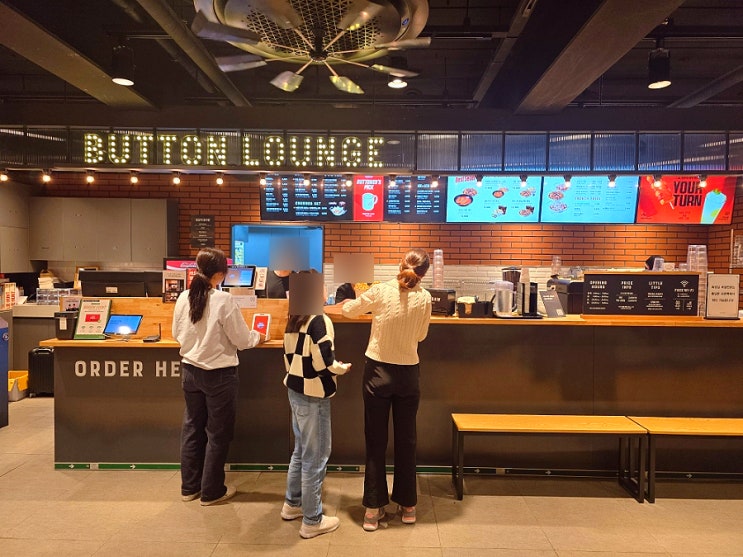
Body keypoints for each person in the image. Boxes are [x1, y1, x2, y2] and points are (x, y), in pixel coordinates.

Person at [341, 248, 432, 532]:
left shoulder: (381, 290)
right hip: (408, 374)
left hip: (378, 372)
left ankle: (372, 509)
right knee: (407, 440)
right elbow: (421, 335)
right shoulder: (425, 298)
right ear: (424, 273)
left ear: (399, 265)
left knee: (375, 440)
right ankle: (408, 506)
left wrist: (350, 303)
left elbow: (348, 311)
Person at [172, 247, 265, 506]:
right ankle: (211, 491)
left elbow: (177, 334)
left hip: (190, 371)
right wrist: (259, 336)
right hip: (219, 376)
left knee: (192, 428)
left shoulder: (183, 297)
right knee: (217, 434)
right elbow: (243, 340)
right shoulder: (224, 300)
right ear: (221, 274)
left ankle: (189, 488)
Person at [281, 271, 351, 539]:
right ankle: (312, 520)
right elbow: (323, 362)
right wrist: (341, 368)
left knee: (301, 451)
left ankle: (292, 504)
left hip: (295, 390)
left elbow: (291, 358)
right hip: (314, 394)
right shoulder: (319, 320)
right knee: (317, 456)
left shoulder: (293, 319)